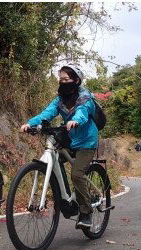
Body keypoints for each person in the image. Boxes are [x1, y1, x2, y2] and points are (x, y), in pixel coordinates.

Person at [20, 64, 98, 229]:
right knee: (55, 160)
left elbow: (82, 112)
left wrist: (76, 120)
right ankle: (66, 198)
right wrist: (30, 123)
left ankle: (86, 212)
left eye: (66, 79)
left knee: (77, 174)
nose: (63, 82)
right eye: (61, 79)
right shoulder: (60, 99)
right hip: (70, 139)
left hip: (86, 142)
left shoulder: (85, 97)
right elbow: (46, 114)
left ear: (76, 80)